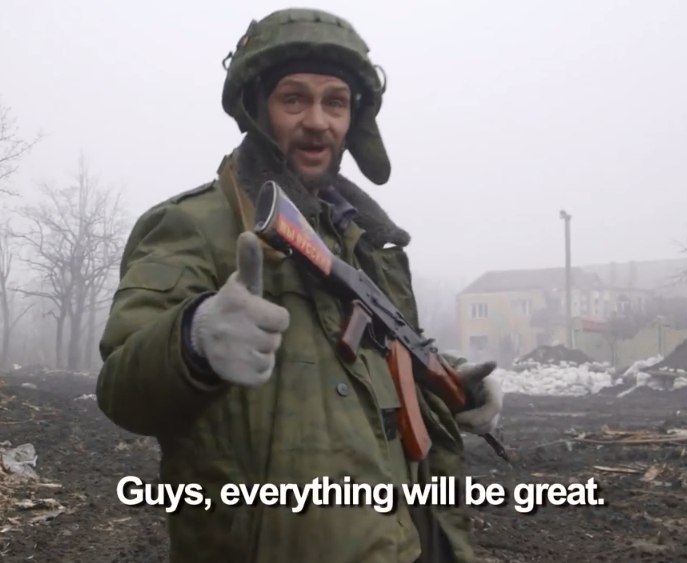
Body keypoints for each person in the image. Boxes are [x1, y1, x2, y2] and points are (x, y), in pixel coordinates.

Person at [96, 7, 500, 563]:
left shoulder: (367, 245)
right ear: (259, 107)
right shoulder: (194, 226)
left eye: (335, 102)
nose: (318, 121)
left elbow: (362, 372)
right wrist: (193, 338)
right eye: (294, 99)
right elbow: (120, 389)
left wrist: (447, 379)